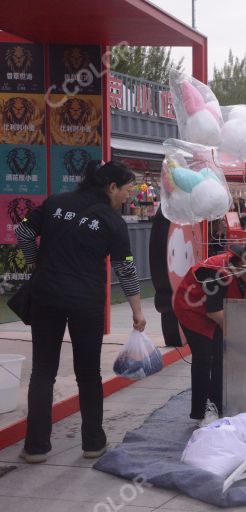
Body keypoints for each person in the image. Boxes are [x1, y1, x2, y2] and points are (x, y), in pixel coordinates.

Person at [15, 160, 146, 463]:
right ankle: (93, 444)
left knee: (43, 372)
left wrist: (37, 264)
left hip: (46, 296)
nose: (129, 196)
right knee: (88, 374)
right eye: (127, 190)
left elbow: (23, 234)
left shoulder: (56, 203)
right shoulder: (112, 222)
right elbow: (125, 269)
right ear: (111, 187)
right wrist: (137, 312)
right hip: (86, 302)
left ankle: (35, 447)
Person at [173, 243, 246, 426]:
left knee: (221, 358)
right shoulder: (216, 273)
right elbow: (213, 312)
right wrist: (238, 335)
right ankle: (201, 411)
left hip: (215, 311)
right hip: (192, 311)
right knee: (205, 357)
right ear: (241, 265)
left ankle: (218, 403)